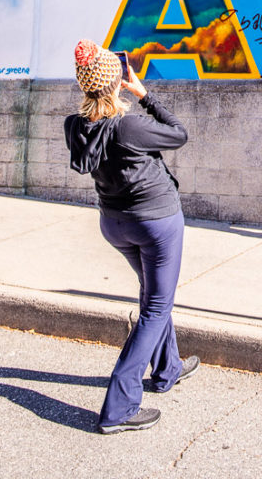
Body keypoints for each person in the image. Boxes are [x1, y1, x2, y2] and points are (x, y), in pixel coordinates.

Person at [64, 39, 199, 435]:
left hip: (114, 224)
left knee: (153, 295)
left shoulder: (76, 126)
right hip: (155, 223)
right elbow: (179, 133)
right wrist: (144, 94)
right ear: (117, 81)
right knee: (156, 307)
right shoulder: (129, 126)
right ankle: (118, 408)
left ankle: (168, 368)